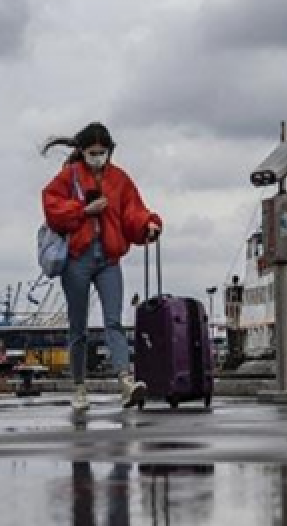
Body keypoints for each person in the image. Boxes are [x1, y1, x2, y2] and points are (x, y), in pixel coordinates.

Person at [42, 122, 162, 412]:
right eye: (93, 152)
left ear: (110, 151)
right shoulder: (69, 177)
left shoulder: (120, 179)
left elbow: (133, 211)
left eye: (103, 152)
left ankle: (125, 380)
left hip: (108, 258)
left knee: (114, 321)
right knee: (78, 327)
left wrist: (150, 223)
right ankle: (80, 387)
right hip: (77, 259)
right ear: (82, 152)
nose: (98, 157)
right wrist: (84, 211)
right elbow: (51, 206)